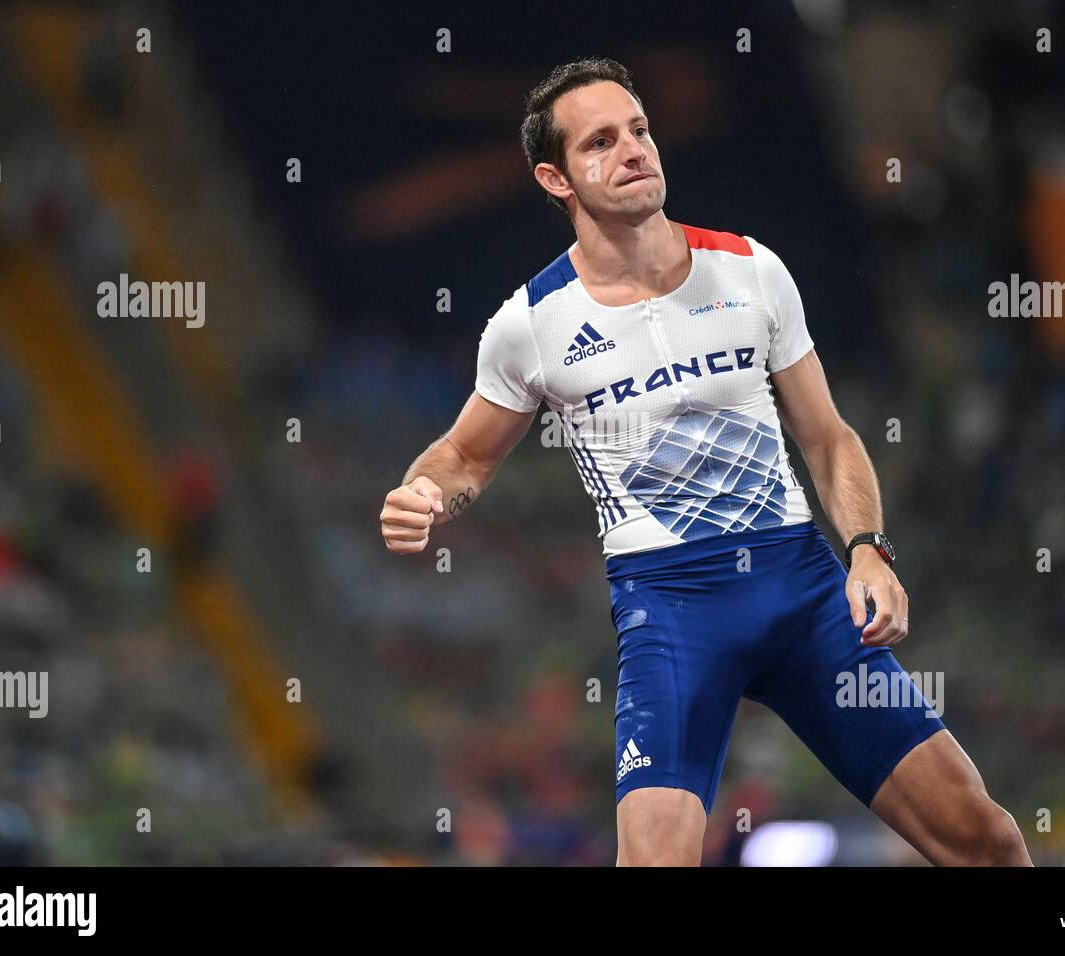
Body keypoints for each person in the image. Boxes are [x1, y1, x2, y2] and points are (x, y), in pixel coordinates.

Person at [382, 57, 1031, 867]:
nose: (634, 151)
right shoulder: (531, 326)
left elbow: (830, 439)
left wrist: (869, 549)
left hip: (803, 592)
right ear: (556, 178)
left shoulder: (751, 270)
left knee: (988, 841)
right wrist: (424, 492)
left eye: (641, 130)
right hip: (673, 611)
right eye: (601, 143)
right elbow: (463, 458)